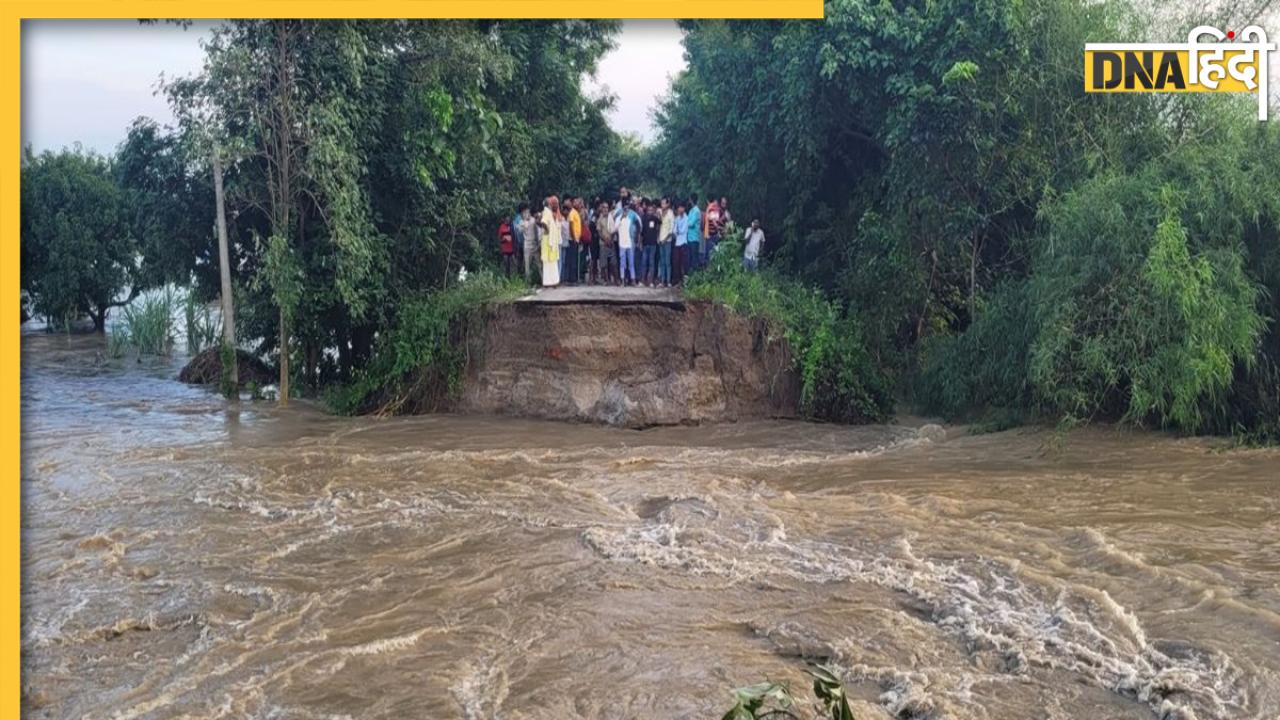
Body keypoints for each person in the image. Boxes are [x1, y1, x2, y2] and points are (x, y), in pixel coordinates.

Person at [615, 200, 640, 286]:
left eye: (627, 207)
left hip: (629, 242)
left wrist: (637, 237)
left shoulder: (632, 216)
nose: (626, 209)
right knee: (622, 263)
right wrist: (621, 217)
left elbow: (638, 224)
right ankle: (622, 280)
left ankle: (633, 280)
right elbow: (615, 228)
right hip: (622, 243)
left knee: (631, 262)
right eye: (624, 207)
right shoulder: (619, 217)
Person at [539, 196, 561, 287]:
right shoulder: (547, 212)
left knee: (552, 262)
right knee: (548, 262)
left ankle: (553, 281)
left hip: (552, 241)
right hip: (548, 240)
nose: (556, 205)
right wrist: (547, 230)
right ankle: (548, 282)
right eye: (554, 203)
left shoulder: (552, 213)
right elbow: (543, 222)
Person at [640, 198, 660, 287]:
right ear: (647, 210)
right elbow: (641, 231)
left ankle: (651, 281)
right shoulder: (643, 218)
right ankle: (643, 280)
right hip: (645, 243)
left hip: (653, 244)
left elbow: (660, 222)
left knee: (651, 262)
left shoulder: (655, 218)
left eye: (652, 210)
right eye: (649, 210)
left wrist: (656, 215)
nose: (650, 211)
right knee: (644, 262)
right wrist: (640, 242)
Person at [596, 200, 617, 285]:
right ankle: (606, 280)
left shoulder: (611, 217)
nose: (605, 209)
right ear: (602, 209)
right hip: (603, 243)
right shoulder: (599, 219)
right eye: (604, 207)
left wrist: (610, 239)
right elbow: (599, 232)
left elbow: (614, 230)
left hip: (611, 243)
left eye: (607, 207)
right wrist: (605, 240)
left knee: (613, 262)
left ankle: (616, 280)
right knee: (603, 263)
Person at [518, 203, 538, 283]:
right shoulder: (521, 222)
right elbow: (521, 230)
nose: (526, 213)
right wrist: (526, 221)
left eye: (527, 211)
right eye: (524, 212)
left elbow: (536, 232)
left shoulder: (533, 220)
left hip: (534, 244)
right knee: (527, 266)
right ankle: (528, 282)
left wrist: (537, 243)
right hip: (527, 246)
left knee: (539, 263)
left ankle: (543, 279)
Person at [657, 196, 674, 287]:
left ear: (668, 204)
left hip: (667, 241)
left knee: (667, 261)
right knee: (662, 261)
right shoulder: (659, 212)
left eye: (664, 203)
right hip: (660, 240)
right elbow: (658, 225)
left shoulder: (670, 214)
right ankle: (662, 281)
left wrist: (664, 239)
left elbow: (671, 230)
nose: (662, 205)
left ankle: (668, 281)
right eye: (661, 203)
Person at [703, 197, 722, 267]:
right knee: (713, 254)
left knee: (710, 255)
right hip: (713, 234)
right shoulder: (716, 209)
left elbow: (714, 222)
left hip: (710, 235)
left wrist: (719, 228)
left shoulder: (711, 208)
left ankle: (710, 270)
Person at [685, 195, 703, 273]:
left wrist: (686, 223)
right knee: (689, 258)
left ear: (691, 200)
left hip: (694, 238)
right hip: (689, 237)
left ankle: (695, 276)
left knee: (694, 258)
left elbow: (691, 223)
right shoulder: (691, 210)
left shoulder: (696, 211)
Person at [673, 201, 689, 286]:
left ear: (684, 208)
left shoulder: (686, 218)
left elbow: (683, 230)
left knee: (684, 263)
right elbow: (674, 231)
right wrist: (677, 231)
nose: (679, 209)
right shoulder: (677, 218)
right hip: (677, 243)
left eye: (680, 207)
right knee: (677, 263)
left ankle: (685, 282)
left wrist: (678, 231)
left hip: (683, 242)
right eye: (678, 207)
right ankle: (678, 281)